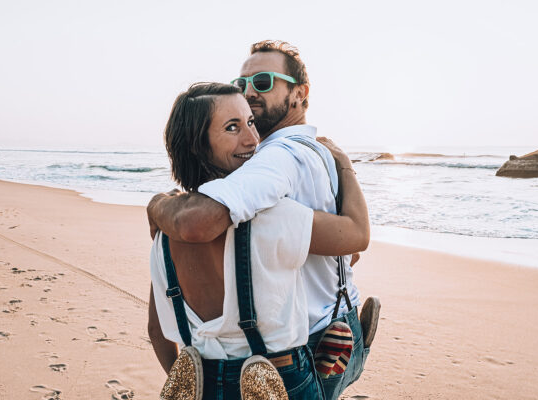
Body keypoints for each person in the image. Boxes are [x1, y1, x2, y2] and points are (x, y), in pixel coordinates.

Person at [147, 41, 380, 399]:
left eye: (251, 123)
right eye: (232, 127)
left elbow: (157, 328)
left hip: (203, 375)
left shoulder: (164, 237)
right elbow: (354, 237)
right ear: (199, 143)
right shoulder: (275, 216)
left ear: (300, 93)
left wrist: (184, 381)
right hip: (277, 372)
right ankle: (334, 356)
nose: (252, 138)